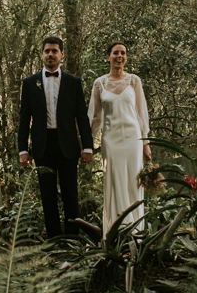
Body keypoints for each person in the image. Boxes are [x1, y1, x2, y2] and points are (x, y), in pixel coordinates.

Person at [18, 37, 94, 238]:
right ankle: (54, 239)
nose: (50, 54)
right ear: (42, 54)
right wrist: (23, 150)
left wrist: (87, 147)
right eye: (47, 51)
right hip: (42, 146)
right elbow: (24, 118)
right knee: (47, 196)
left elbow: (82, 116)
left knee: (71, 194)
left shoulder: (74, 82)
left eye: (54, 51)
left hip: (67, 145)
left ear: (62, 54)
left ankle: (72, 240)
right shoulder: (29, 83)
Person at [89, 42, 151, 235]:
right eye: (115, 52)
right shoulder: (99, 84)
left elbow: (141, 114)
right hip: (111, 141)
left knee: (133, 183)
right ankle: (116, 233)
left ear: (126, 57)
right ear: (108, 57)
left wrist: (145, 143)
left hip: (133, 139)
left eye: (123, 53)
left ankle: (136, 233)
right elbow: (96, 117)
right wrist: (88, 144)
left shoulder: (134, 81)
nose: (119, 56)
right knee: (115, 183)